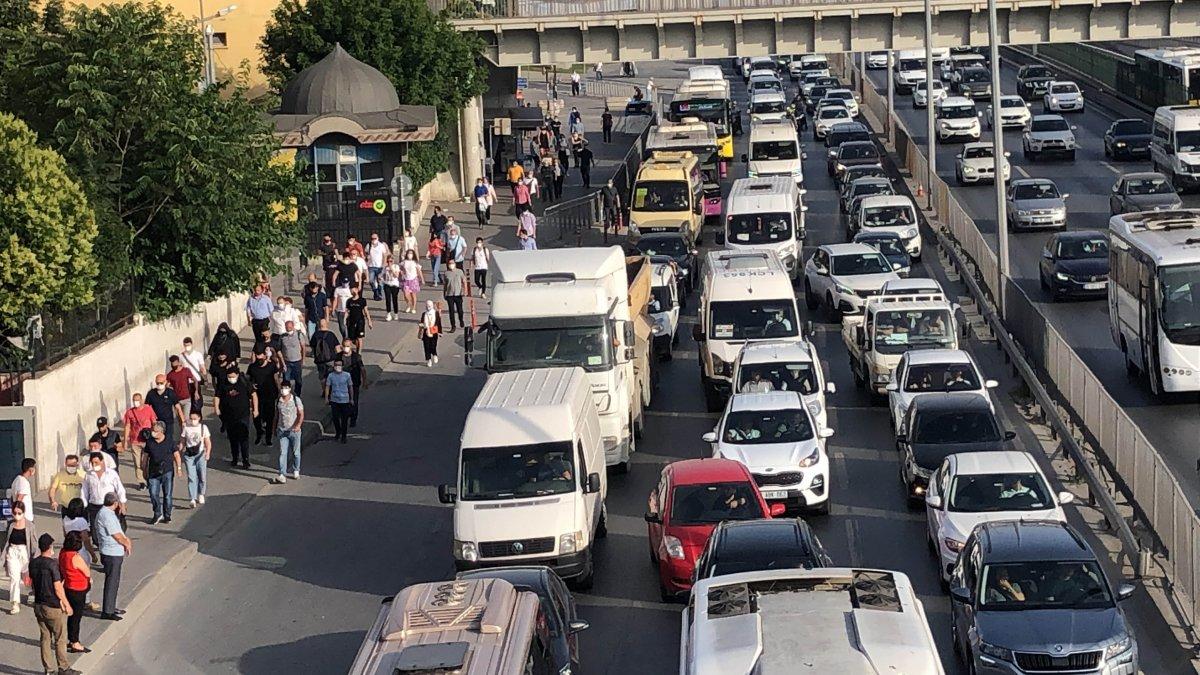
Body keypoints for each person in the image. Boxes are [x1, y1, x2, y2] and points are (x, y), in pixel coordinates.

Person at [29, 533, 77, 675]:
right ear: (50, 547)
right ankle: (63, 667)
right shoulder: (52, 565)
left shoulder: (33, 563)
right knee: (60, 637)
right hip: (52, 605)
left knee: (45, 637)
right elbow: (58, 587)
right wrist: (67, 604)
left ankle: (48, 669)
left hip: (38, 605)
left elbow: (32, 584)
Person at [94, 492, 131, 621]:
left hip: (113, 552)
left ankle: (111, 606)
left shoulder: (108, 513)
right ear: (115, 503)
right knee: (112, 582)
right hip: (111, 553)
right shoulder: (106, 515)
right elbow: (117, 535)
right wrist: (126, 543)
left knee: (114, 582)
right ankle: (107, 611)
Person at [214, 368, 256, 469]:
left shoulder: (243, 383)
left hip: (243, 415)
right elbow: (217, 396)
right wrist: (216, 408)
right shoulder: (223, 384)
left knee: (244, 439)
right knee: (233, 438)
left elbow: (254, 395)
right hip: (229, 416)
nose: (231, 379)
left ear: (237, 375)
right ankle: (235, 458)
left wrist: (255, 409)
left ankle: (245, 460)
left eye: (233, 377)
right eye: (229, 377)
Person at [81, 452, 126, 547]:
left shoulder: (111, 474)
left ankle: (115, 542)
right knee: (94, 528)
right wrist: (84, 504)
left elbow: (120, 489)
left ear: (102, 461)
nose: (94, 465)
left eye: (96, 462)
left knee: (111, 525)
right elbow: (84, 490)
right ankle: (99, 544)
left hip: (109, 505)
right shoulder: (88, 475)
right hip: (94, 505)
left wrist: (122, 503)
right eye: (92, 463)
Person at [141, 421, 180, 525]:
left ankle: (167, 515)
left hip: (167, 471)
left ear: (162, 431)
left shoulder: (169, 441)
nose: (153, 433)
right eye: (152, 430)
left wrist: (179, 468)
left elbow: (176, 455)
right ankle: (157, 513)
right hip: (153, 473)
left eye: (155, 431)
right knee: (153, 494)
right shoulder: (150, 442)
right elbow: (145, 457)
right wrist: (144, 470)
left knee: (167, 495)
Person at [58, 531, 90, 656]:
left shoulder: (63, 553)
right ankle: (75, 642)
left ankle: (71, 639)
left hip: (68, 587)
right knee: (76, 617)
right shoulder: (75, 557)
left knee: (71, 617)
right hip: (79, 588)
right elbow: (86, 572)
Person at [248, 348, 281, 448]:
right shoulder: (252, 367)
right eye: (257, 357)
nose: (259, 359)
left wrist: (279, 391)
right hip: (257, 396)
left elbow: (276, 378)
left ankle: (268, 438)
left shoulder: (271, 366)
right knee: (256, 417)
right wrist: (251, 386)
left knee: (270, 417)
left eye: (261, 356)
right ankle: (259, 433)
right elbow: (248, 379)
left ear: (265, 356)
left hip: (270, 395)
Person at [272, 382, 304, 484]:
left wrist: (298, 425)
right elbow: (276, 416)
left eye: (286, 388)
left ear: (290, 389)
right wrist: (274, 429)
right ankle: (282, 474)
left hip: (294, 431)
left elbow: (301, 414)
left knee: (296, 452)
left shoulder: (295, 400)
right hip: (282, 430)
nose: (283, 390)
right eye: (282, 388)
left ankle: (296, 470)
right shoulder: (278, 401)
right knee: (283, 452)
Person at [178, 411, 211, 508]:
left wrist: (208, 453)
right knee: (191, 477)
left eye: (194, 419)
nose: (193, 421)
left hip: (200, 454)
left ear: (199, 418)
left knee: (202, 476)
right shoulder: (186, 428)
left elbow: (207, 442)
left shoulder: (203, 428)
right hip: (189, 455)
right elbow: (182, 441)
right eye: (191, 419)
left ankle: (201, 493)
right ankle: (192, 498)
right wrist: (178, 452)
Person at [3, 500, 31, 614]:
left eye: (19, 513)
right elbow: (6, 541)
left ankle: (34, 594)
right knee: (14, 578)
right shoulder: (10, 525)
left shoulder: (29, 525)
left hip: (24, 552)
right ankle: (15, 603)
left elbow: (33, 542)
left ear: (23, 512)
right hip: (12, 552)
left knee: (27, 578)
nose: (17, 515)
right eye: (14, 513)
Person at [146, 373, 184, 445]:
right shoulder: (151, 394)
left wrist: (183, 421)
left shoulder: (170, 393)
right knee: (156, 440)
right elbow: (147, 408)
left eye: (161, 383)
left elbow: (178, 408)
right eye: (157, 383)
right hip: (156, 422)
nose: (159, 384)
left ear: (165, 382)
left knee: (168, 439)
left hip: (168, 421)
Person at [337, 340, 367, 428]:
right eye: (345, 346)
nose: (346, 348)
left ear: (351, 347)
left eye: (348, 346)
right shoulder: (339, 357)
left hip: (354, 382)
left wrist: (365, 381)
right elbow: (336, 369)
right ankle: (344, 416)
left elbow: (362, 369)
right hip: (342, 383)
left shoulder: (356, 357)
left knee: (354, 401)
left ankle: (353, 418)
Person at [325, 360, 353, 444]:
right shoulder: (331, 376)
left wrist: (351, 399)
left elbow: (350, 387)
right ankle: (338, 432)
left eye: (339, 365)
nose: (338, 367)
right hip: (334, 400)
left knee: (344, 419)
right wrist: (326, 398)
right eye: (336, 365)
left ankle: (343, 436)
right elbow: (327, 387)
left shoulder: (347, 375)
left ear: (343, 366)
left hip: (345, 400)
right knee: (335, 418)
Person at [165, 355, 198, 420]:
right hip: (176, 401)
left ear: (178, 362)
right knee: (180, 420)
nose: (173, 366)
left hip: (186, 399)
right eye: (172, 364)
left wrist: (196, 391)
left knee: (186, 419)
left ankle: (187, 429)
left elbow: (195, 380)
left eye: (174, 364)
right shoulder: (170, 375)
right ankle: (183, 430)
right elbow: (167, 386)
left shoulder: (186, 371)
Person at [278, 320, 306, 396]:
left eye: (290, 327)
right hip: (286, 362)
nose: (288, 329)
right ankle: (287, 396)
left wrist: (303, 360)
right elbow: (279, 350)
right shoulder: (282, 337)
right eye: (287, 328)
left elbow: (303, 348)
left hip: (297, 361)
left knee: (298, 381)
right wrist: (281, 364)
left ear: (293, 327)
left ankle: (297, 395)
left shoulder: (299, 335)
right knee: (286, 380)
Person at [309, 318, 340, 383]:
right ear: (326, 324)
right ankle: (330, 389)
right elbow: (337, 348)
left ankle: (325, 391)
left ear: (319, 325)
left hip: (320, 360)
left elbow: (312, 346)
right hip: (330, 359)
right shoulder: (331, 334)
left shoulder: (315, 335)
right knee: (332, 376)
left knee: (322, 378)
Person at [344, 285, 373, 353]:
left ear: (357, 290)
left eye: (353, 289)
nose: (352, 291)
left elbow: (366, 311)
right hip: (351, 321)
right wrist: (344, 319)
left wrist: (369, 321)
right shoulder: (349, 301)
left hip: (360, 321)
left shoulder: (362, 300)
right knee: (351, 338)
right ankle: (352, 351)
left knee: (359, 338)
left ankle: (359, 353)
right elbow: (347, 311)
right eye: (351, 290)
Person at [443, 259, 467, 333]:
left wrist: (465, 290)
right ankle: (453, 326)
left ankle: (461, 320)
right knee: (451, 311)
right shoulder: (446, 273)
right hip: (449, 295)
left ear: (455, 264)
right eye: (449, 263)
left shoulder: (460, 271)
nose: (451, 265)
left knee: (460, 310)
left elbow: (464, 281)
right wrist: (444, 293)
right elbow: (445, 285)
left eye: (452, 263)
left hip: (458, 294)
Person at [418, 300, 443, 368]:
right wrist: (421, 325)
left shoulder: (436, 313)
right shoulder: (424, 314)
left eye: (429, 306)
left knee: (433, 345)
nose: (428, 307)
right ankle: (428, 359)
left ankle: (434, 354)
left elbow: (439, 323)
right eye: (427, 306)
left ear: (432, 306)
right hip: (426, 332)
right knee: (426, 346)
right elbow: (422, 322)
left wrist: (440, 332)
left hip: (434, 331)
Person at [366, 233, 390, 302]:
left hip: (380, 266)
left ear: (378, 238)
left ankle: (379, 293)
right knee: (371, 280)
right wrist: (367, 258)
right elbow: (366, 254)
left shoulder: (381, 245)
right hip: (371, 266)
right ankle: (375, 291)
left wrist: (384, 264)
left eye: (375, 238)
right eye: (372, 239)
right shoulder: (369, 245)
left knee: (380, 281)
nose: (373, 240)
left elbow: (385, 255)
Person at [400, 249, 422, 314]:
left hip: (413, 279)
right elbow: (400, 268)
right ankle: (408, 305)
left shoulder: (415, 262)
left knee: (413, 294)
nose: (410, 255)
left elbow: (419, 270)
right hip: (406, 280)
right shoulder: (404, 262)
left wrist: (421, 279)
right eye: (409, 253)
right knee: (406, 294)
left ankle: (414, 307)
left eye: (411, 253)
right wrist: (402, 273)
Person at [381, 254, 402, 321]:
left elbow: (396, 276)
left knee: (394, 299)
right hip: (387, 284)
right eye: (388, 261)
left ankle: (396, 313)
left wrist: (391, 269)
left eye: (391, 261)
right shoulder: (385, 268)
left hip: (394, 285)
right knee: (388, 299)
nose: (390, 262)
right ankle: (388, 313)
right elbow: (382, 275)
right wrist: (381, 278)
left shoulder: (396, 267)